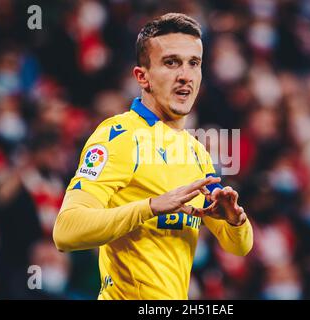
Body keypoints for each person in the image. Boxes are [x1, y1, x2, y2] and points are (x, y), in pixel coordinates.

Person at [53, 12, 253, 300]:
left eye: (193, 63)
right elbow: (66, 231)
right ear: (142, 77)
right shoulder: (118, 136)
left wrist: (234, 221)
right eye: (171, 63)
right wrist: (150, 207)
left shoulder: (196, 152)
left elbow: (239, 247)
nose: (185, 75)